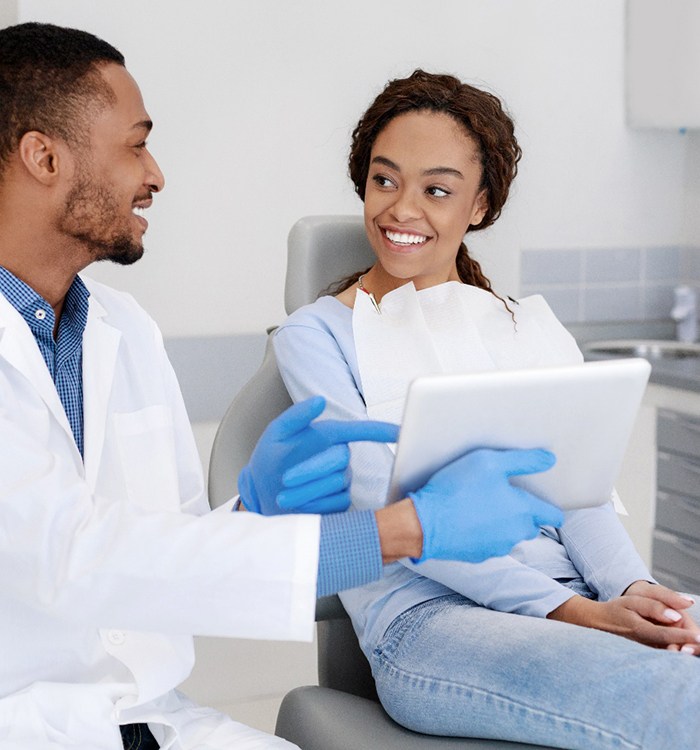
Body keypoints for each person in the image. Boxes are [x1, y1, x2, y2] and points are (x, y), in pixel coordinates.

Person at [0, 24, 569, 750]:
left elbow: (168, 552)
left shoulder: (125, 330)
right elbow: (76, 556)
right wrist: (406, 530)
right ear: (44, 156)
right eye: (136, 143)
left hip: (151, 720)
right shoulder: (324, 334)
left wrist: (251, 512)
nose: (156, 174)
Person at [273, 69, 700, 749]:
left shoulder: (518, 326)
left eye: (436, 190)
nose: (401, 211)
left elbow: (579, 493)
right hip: (432, 621)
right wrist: (577, 613)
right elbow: (391, 514)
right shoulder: (317, 337)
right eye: (385, 180)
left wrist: (635, 590)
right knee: (684, 700)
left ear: (478, 205)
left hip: (576, 597)